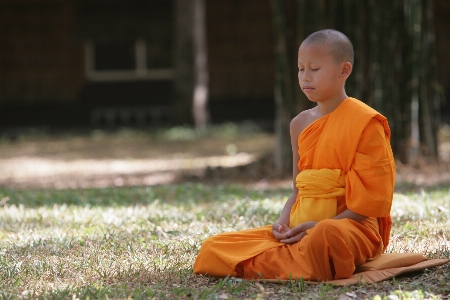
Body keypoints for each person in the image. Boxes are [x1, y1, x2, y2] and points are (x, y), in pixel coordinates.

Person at [194, 29, 395, 281]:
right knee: (214, 246)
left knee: (325, 237)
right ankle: (303, 260)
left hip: (349, 228)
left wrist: (317, 227)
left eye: (315, 69)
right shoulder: (299, 124)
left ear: (344, 70)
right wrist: (282, 223)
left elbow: (368, 206)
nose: (305, 77)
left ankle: (302, 258)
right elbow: (298, 189)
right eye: (301, 69)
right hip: (300, 228)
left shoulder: (366, 123)